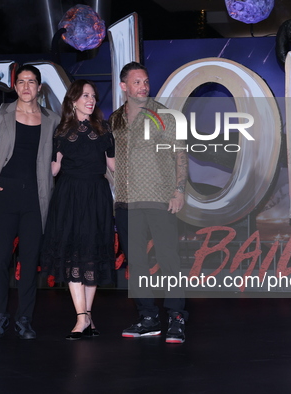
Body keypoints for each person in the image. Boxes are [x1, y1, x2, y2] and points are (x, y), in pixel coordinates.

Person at [0, 64, 60, 339]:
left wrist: (58, 167)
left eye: (31, 81)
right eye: (21, 81)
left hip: (36, 197)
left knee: (29, 259)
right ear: (15, 86)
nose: (26, 86)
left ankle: (25, 319)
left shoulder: (52, 119)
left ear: (39, 86)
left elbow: (58, 155)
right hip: (3, 193)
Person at [109, 62, 189, 344]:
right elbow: (112, 161)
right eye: (137, 82)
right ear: (124, 87)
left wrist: (179, 191)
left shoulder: (164, 114)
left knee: (168, 260)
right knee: (137, 263)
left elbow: (180, 154)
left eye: (145, 81)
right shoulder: (115, 119)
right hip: (126, 203)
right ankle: (148, 317)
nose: (143, 86)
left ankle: (177, 318)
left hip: (159, 199)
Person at [41, 80, 115, 340]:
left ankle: (86, 316)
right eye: (85, 95)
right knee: (73, 255)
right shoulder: (61, 131)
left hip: (97, 196)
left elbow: (113, 165)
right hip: (70, 196)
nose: (91, 100)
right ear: (73, 100)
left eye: (93, 96)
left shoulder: (104, 128)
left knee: (92, 255)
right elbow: (53, 169)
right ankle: (82, 317)